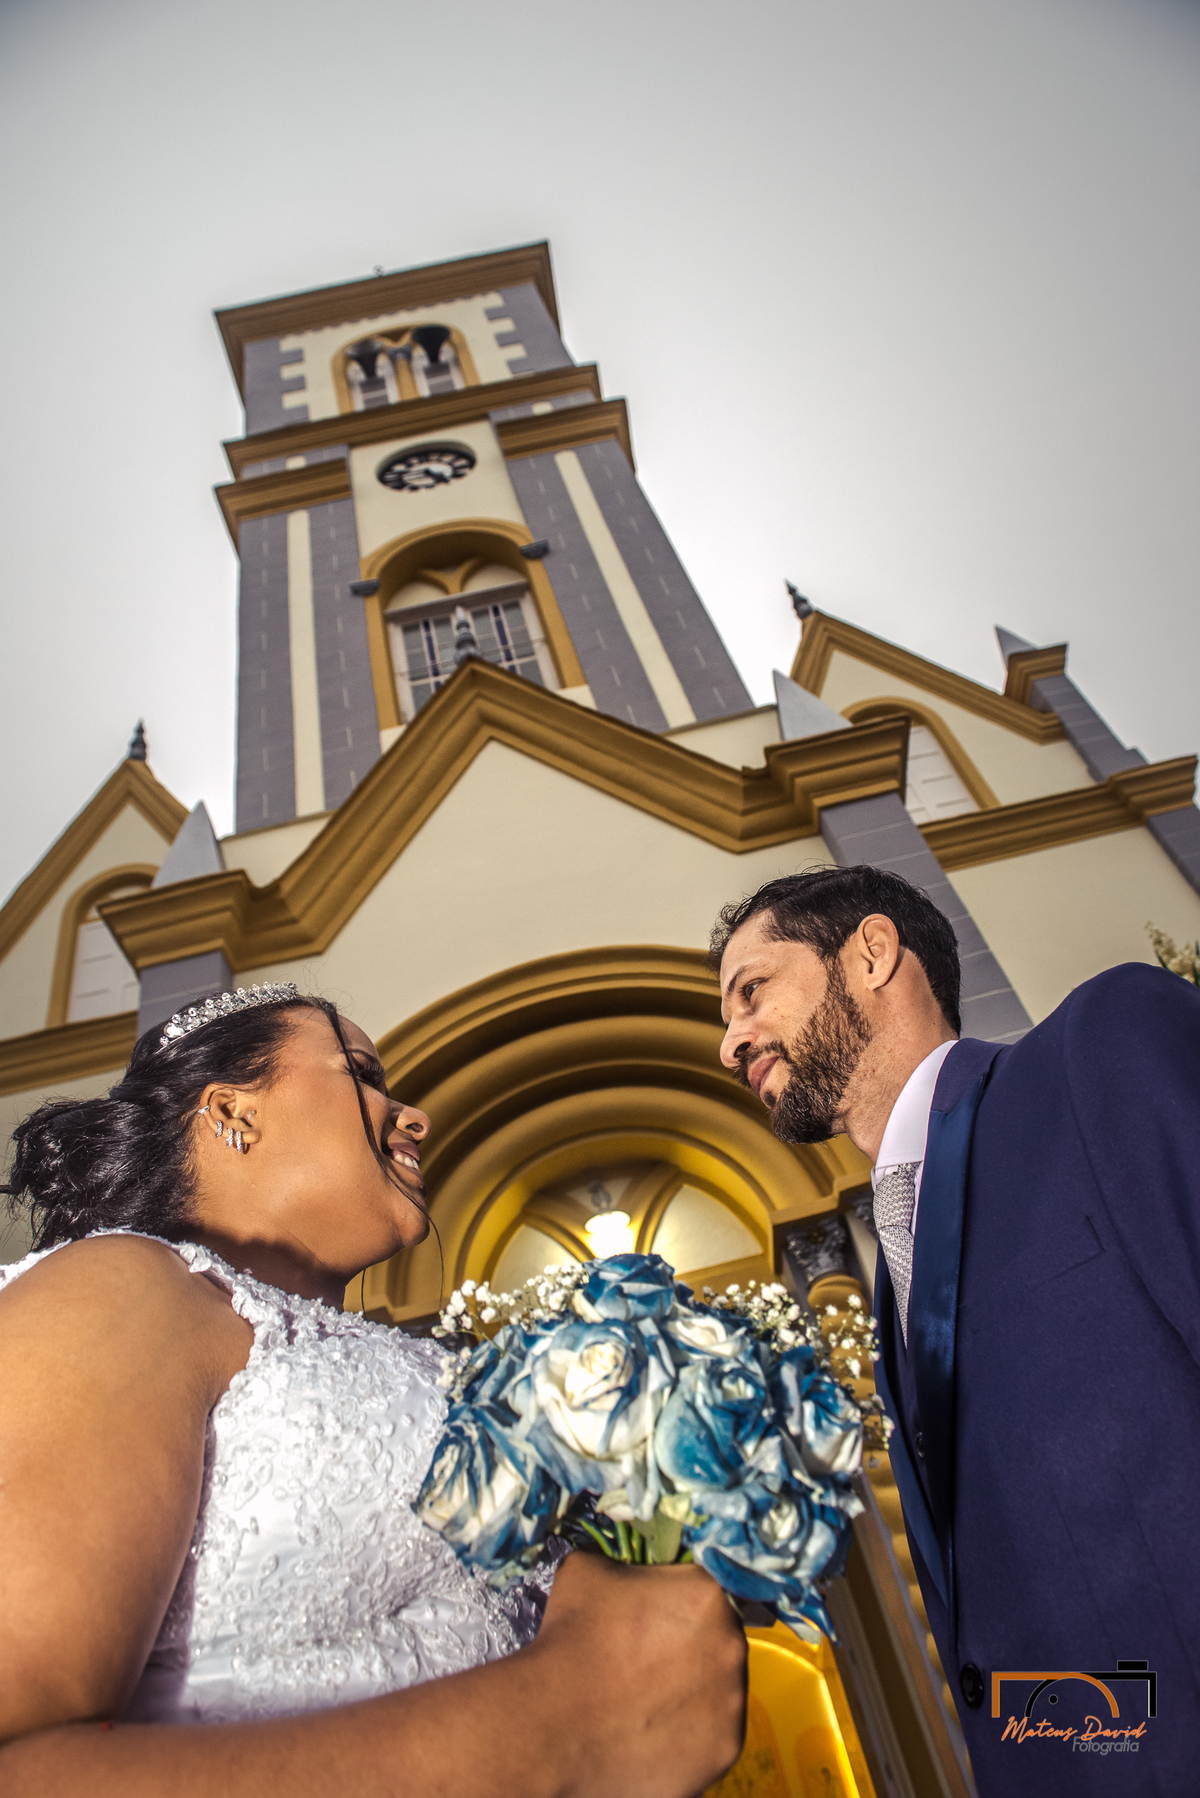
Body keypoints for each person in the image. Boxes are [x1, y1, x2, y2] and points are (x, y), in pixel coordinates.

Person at [0, 984, 746, 1796]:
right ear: (231, 1113)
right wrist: (559, 1723)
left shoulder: (388, 1356)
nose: (413, 1117)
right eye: (360, 1072)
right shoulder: (121, 1289)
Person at [711, 866, 1200, 1798]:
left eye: (751, 991)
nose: (730, 1043)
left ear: (871, 953)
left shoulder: (1098, 1052)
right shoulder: (894, 1262)